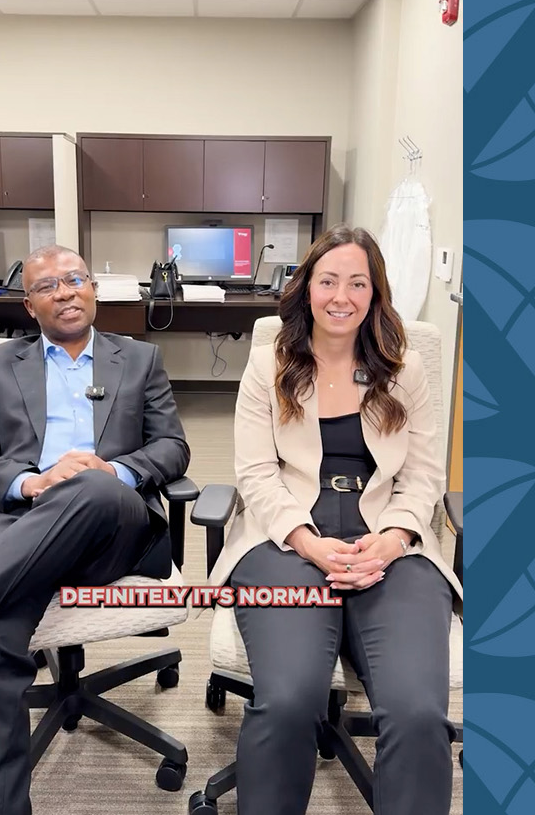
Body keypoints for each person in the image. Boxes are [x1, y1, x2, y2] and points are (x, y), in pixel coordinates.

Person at [206, 224, 461, 815]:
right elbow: (255, 473)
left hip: (388, 539)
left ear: (375, 294)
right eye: (328, 280)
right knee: (290, 697)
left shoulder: (405, 369)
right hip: (285, 538)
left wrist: (394, 540)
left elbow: (423, 475)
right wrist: (309, 543)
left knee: (419, 711)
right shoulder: (269, 364)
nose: (341, 295)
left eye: (357, 282)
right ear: (307, 288)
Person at [0, 245, 190, 815]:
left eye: (75, 279)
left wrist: (117, 472)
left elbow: (172, 447)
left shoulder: (141, 359)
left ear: (93, 289)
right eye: (48, 286)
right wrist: (31, 483)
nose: (65, 291)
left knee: (95, 486)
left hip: (108, 525)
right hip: (11, 519)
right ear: (30, 306)